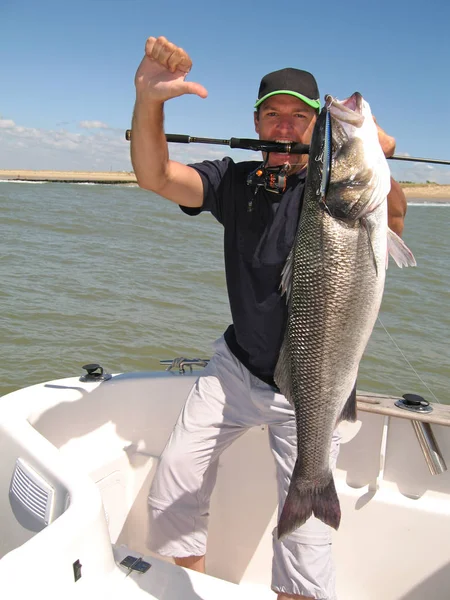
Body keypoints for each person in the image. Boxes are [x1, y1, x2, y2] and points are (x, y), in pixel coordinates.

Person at [131, 36, 407, 600]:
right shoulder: (234, 182)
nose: (283, 127)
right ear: (255, 121)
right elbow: (155, 175)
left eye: (299, 117)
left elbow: (393, 216)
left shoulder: (333, 191)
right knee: (174, 486)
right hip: (236, 369)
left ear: (314, 130)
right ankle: (193, 587)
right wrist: (148, 99)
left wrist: (379, 157)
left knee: (305, 546)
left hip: (312, 390)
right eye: (271, 114)